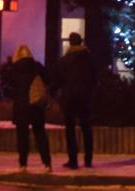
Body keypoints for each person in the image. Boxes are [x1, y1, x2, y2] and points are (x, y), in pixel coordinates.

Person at [9, 43, 52, 172]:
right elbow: (48, 79)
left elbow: (10, 85)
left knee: (22, 136)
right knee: (40, 135)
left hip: (21, 106)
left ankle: (23, 164)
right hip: (35, 106)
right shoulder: (37, 66)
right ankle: (47, 163)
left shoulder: (14, 68)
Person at [60, 31, 96, 170]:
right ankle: (88, 159)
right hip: (85, 97)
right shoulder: (89, 59)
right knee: (86, 128)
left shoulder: (65, 60)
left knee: (70, 129)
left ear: (70, 42)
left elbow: (59, 79)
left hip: (69, 98)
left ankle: (73, 160)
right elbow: (94, 78)